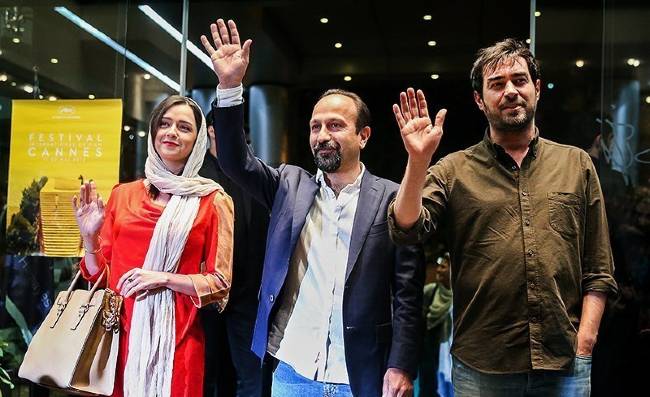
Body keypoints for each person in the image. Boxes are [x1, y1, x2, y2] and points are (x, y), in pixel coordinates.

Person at [200, 19, 424, 397]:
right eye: (315, 126)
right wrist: (229, 87)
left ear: (363, 136)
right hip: (293, 368)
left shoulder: (391, 197)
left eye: (335, 125)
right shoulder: (289, 185)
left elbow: (407, 293)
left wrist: (401, 364)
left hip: (362, 372)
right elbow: (236, 163)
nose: (322, 135)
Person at [388, 38, 618, 396]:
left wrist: (585, 342)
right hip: (481, 368)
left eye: (519, 80)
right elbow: (405, 228)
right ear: (480, 100)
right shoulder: (453, 170)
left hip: (565, 364)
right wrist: (418, 162)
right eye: (496, 84)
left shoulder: (576, 165)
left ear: (537, 89)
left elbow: (599, 266)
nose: (510, 91)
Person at [72, 95, 234, 397]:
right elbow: (100, 277)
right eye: (165, 124)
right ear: (154, 132)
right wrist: (90, 238)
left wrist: (163, 278)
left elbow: (220, 283)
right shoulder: (123, 195)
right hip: (118, 335)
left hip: (179, 340)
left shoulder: (214, 200)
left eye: (184, 127)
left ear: (198, 141)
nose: (172, 132)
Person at [199, 109, 271, 397]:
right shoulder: (195, 175)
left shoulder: (254, 172)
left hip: (246, 293)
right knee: (208, 372)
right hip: (204, 294)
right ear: (212, 131)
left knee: (251, 376)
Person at [416, 251, 452, 397]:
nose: (438, 270)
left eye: (443, 267)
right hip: (429, 355)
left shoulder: (460, 299)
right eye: (438, 266)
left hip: (449, 356)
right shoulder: (430, 291)